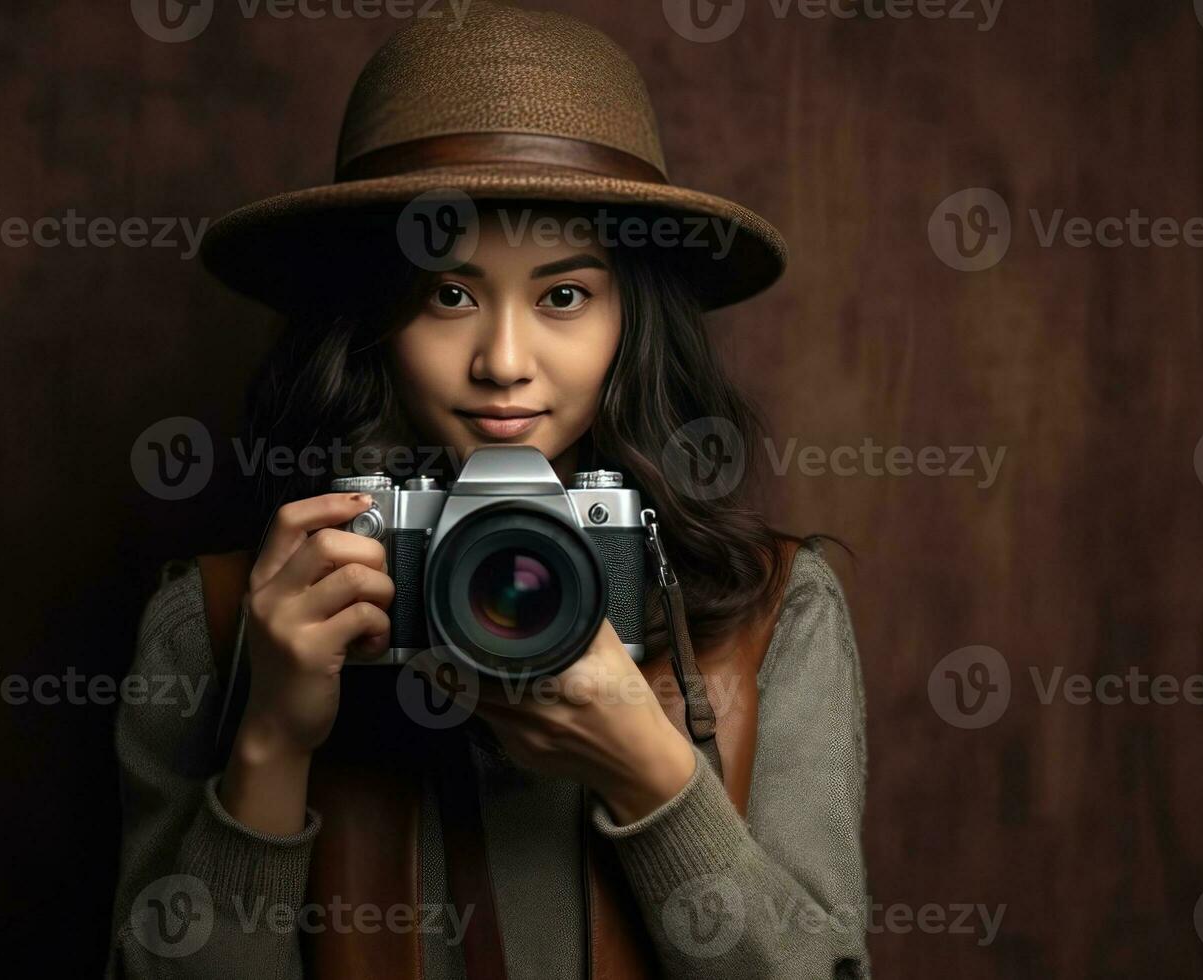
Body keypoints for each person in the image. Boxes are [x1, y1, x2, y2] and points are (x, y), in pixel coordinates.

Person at [107, 3, 869, 978]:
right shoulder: (216, 624)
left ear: (631, 323)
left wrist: (649, 765)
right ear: (371, 321)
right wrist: (271, 736)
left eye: (563, 295)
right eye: (450, 294)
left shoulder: (771, 616)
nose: (504, 362)